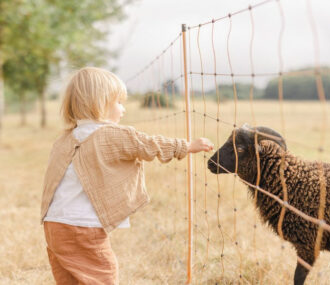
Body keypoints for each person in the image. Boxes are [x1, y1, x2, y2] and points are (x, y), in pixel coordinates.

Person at [40, 67, 214, 284]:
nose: (123, 109)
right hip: (82, 227)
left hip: (53, 224)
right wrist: (187, 146)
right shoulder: (112, 135)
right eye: (119, 102)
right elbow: (149, 145)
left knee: (71, 279)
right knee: (103, 275)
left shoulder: (65, 138)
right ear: (101, 103)